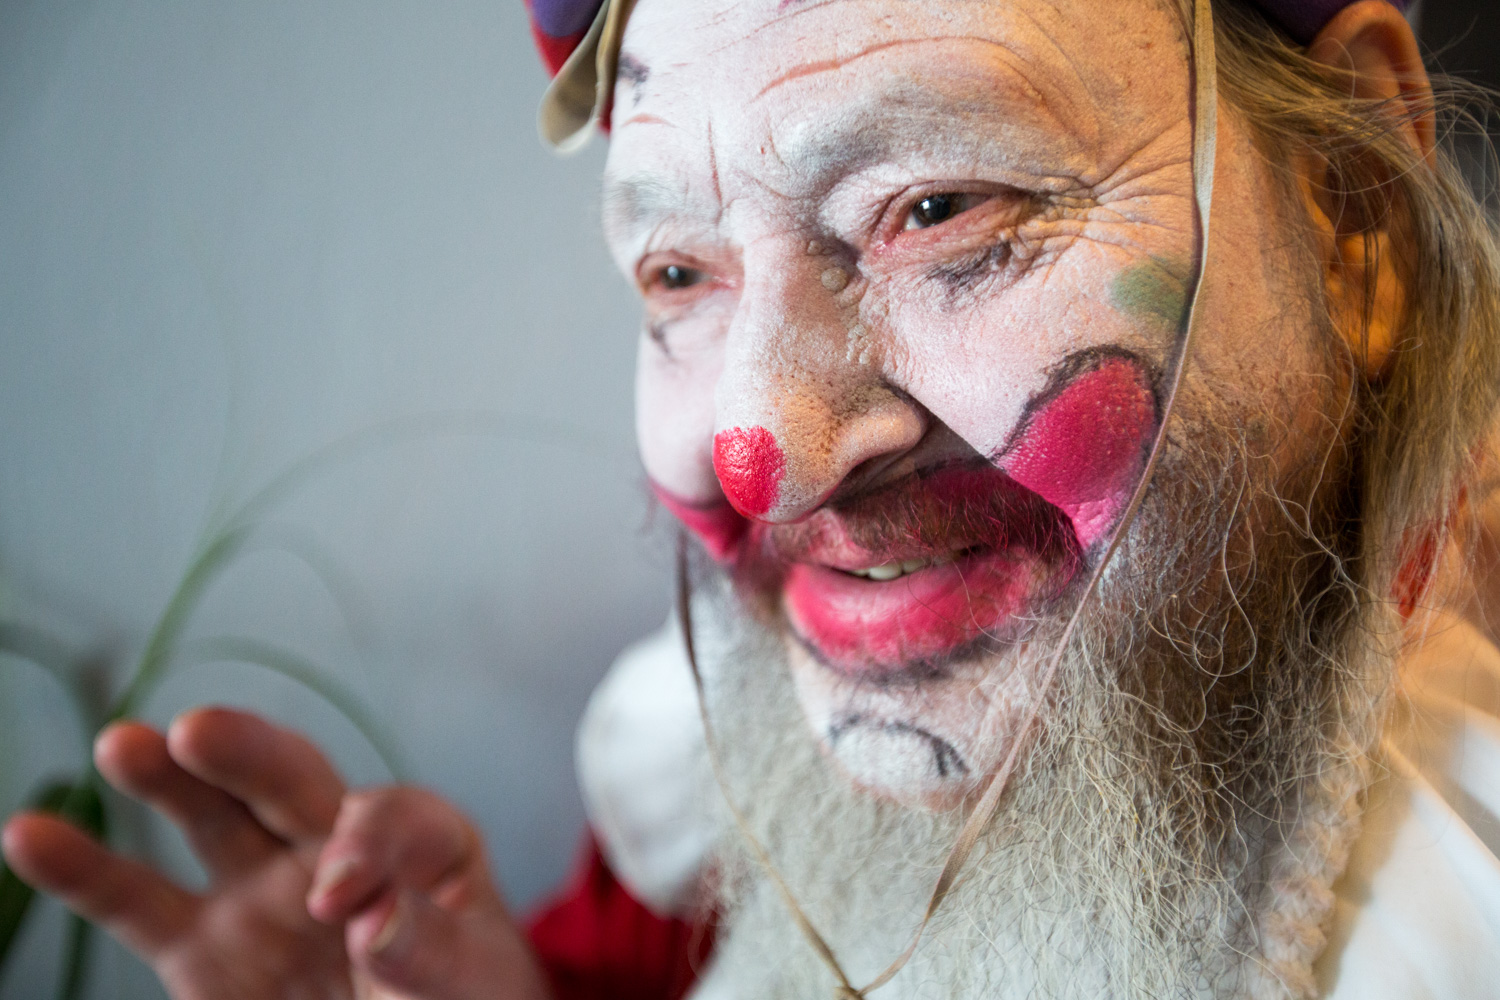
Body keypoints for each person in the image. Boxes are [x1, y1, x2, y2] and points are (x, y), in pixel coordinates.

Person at [6, 0, 1500, 996]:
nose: (764, 450)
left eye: (937, 208)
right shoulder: (707, 781)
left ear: (1349, 212)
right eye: (679, 274)